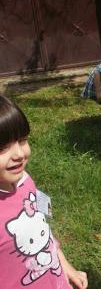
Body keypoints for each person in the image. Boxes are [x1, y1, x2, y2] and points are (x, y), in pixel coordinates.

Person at [0, 94, 88, 289]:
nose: (20, 154)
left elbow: (43, 226)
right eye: (3, 148)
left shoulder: (26, 180)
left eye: (22, 140)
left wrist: (64, 265)